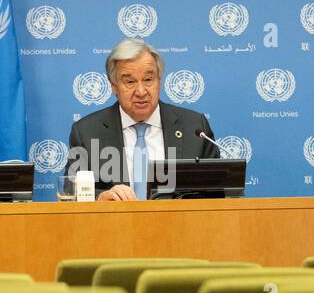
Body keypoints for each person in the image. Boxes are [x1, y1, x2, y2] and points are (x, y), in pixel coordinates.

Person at [66, 38, 220, 200]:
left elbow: (217, 192)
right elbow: (70, 189)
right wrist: (100, 197)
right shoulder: (87, 131)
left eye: (148, 80)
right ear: (113, 86)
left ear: (159, 81)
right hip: (115, 224)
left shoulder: (194, 127)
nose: (141, 91)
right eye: (130, 81)